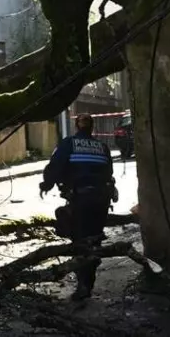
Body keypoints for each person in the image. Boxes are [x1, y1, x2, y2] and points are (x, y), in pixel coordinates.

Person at [40, 113, 118, 300]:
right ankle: (88, 281)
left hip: (80, 200)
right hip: (101, 201)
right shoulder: (102, 147)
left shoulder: (69, 144)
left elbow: (55, 166)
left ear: (77, 127)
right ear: (92, 128)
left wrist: (46, 184)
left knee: (80, 241)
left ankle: (83, 285)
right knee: (94, 240)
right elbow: (109, 172)